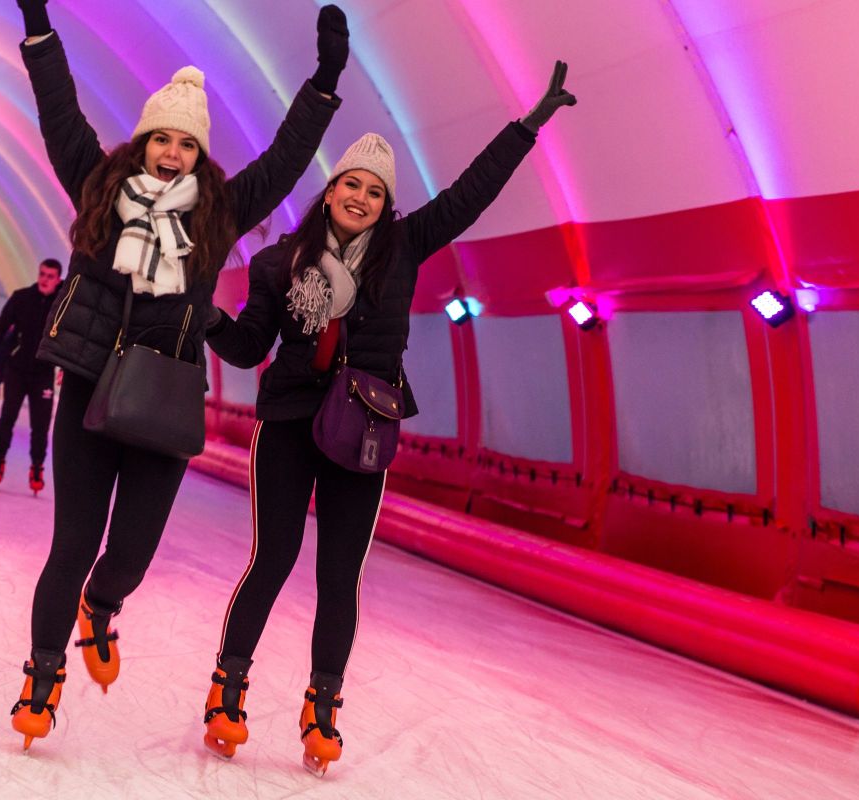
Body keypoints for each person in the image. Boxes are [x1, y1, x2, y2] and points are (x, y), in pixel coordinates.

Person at [198, 63, 577, 775]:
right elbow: (250, 349)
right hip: (286, 424)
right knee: (272, 561)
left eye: (375, 191)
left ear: (384, 203)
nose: (362, 197)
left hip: (360, 432)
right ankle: (228, 687)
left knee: (339, 575)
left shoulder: (402, 250)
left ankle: (322, 705)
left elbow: (468, 196)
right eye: (352, 184)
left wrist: (524, 128)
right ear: (331, 190)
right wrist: (209, 319)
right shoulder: (280, 264)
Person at [6, 0, 348, 751]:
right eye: (160, 138)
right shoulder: (96, 186)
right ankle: (41, 674)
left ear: (199, 155)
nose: (170, 152)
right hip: (90, 388)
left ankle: (102, 604)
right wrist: (38, 25)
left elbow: (286, 160)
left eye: (184, 144)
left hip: (162, 397)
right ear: (142, 142)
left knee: (128, 552)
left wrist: (322, 84)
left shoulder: (219, 214)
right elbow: (58, 110)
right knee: (72, 541)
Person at [0, 258, 62, 494]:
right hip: (16, 369)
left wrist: (65, 368)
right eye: (42, 274)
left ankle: (37, 466)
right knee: (7, 417)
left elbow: (69, 337)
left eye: (50, 276)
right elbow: (0, 327)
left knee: (41, 425)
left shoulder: (62, 303)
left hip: (43, 372)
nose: (45, 280)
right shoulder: (22, 297)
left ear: (58, 279)